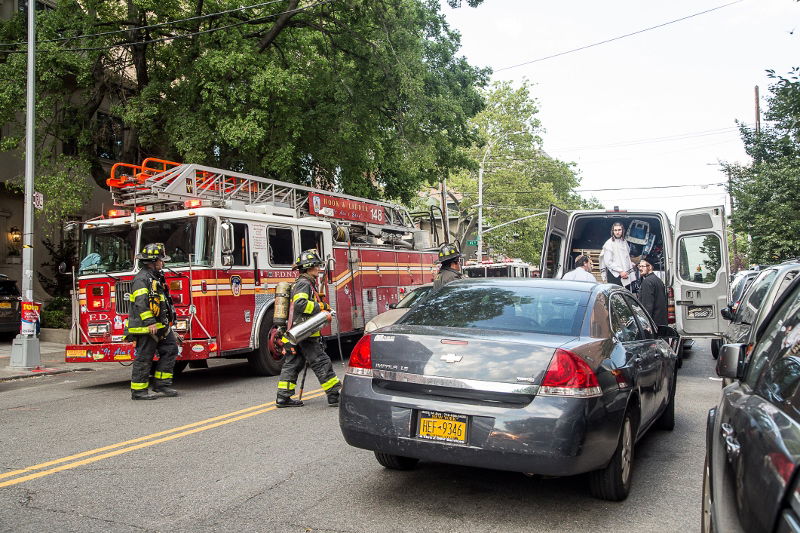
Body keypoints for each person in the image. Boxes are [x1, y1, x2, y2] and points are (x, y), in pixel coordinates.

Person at [276, 249, 341, 408]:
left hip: (296, 331)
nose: (318, 269)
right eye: (316, 266)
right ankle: (334, 395)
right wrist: (321, 306)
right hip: (305, 333)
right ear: (309, 267)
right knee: (321, 361)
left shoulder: (304, 282)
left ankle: (283, 398)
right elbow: (300, 305)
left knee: (294, 363)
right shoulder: (304, 283)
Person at [125, 243, 180, 400]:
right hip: (146, 327)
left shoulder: (155, 277)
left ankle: (162, 385)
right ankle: (139, 391)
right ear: (154, 261)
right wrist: (150, 322)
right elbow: (141, 303)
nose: (163, 263)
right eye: (161, 260)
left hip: (160, 326)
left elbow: (161, 302)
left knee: (170, 349)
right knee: (144, 357)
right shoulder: (141, 279)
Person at [602, 222, 636, 289]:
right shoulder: (609, 243)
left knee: (626, 295)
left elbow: (626, 256)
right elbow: (608, 262)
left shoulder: (624, 241)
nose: (617, 232)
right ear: (613, 231)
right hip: (615, 275)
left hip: (625, 274)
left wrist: (630, 264)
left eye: (619, 230)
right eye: (615, 230)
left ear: (622, 230)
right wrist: (620, 271)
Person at [637, 255, 668, 326]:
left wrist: (646, 324)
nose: (640, 269)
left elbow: (647, 305)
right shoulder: (657, 280)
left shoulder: (647, 282)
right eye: (639, 266)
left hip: (653, 323)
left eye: (642, 266)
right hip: (661, 322)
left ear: (650, 267)